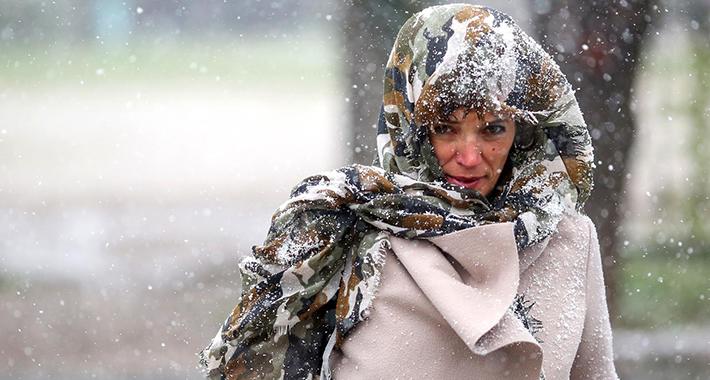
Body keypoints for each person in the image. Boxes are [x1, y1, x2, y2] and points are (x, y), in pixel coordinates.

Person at [199, 4, 618, 380]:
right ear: (411, 129)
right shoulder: (347, 228)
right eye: (445, 129)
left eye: (492, 129)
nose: (469, 156)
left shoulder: (569, 241)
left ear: (524, 132)